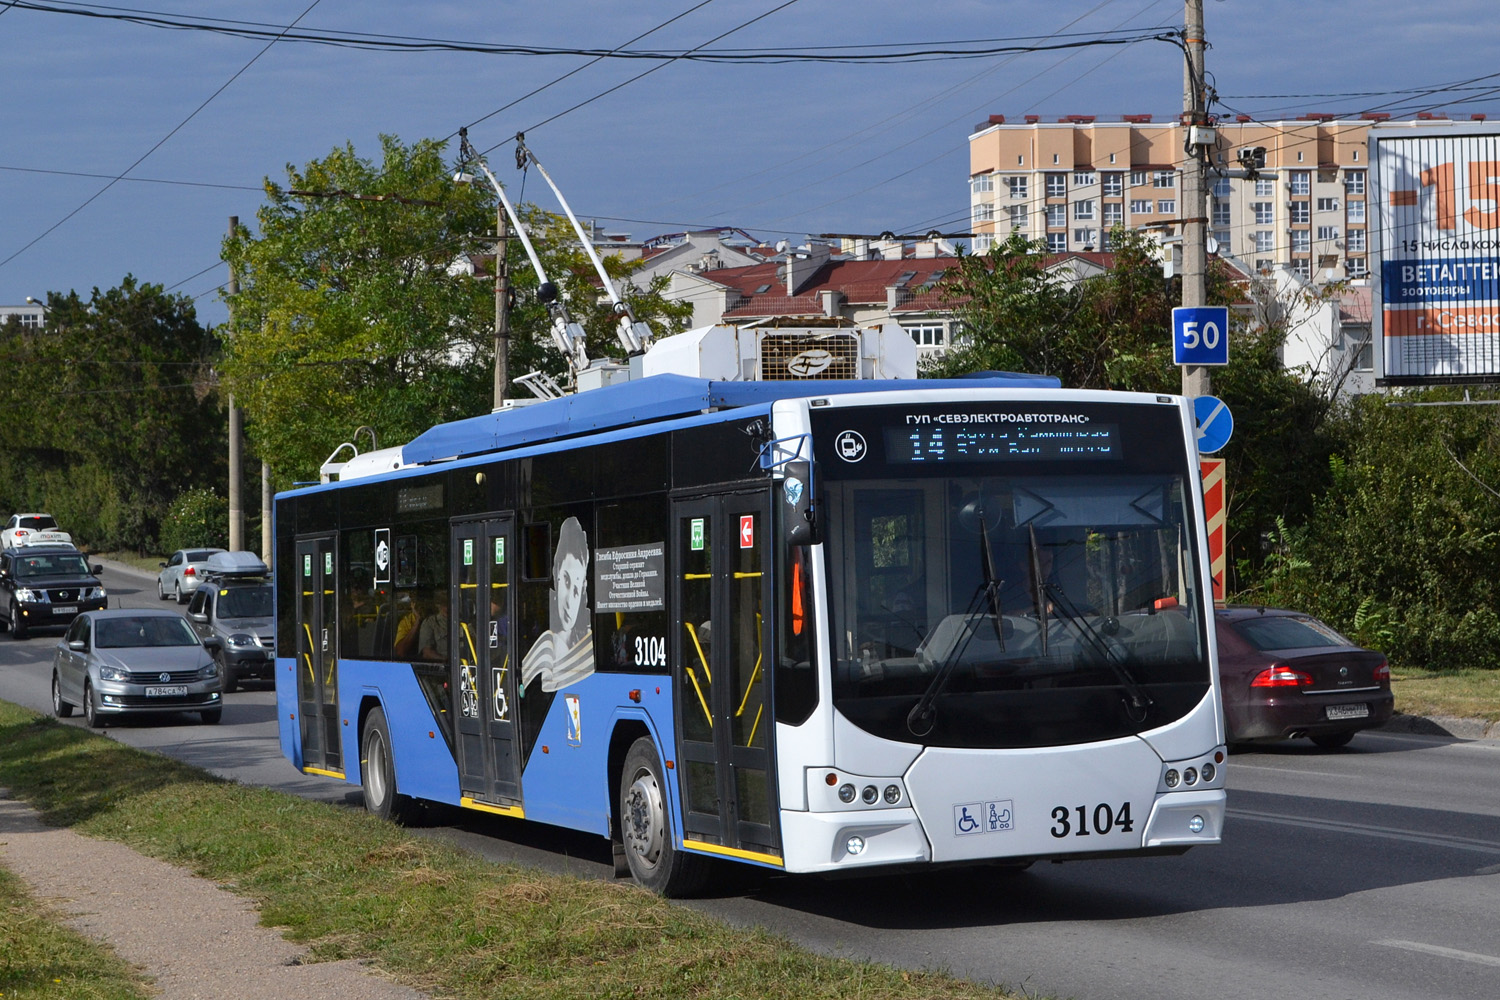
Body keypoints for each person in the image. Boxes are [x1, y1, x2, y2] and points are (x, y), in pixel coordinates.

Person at [520, 516, 595, 692]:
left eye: (576, 590)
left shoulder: (588, 643)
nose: (570, 600)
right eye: (567, 582)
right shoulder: (543, 644)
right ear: (556, 577)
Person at [418, 592, 450, 661]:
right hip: (443, 667)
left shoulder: (463, 621)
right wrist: (447, 662)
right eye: (445, 604)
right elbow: (427, 653)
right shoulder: (430, 623)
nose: (448, 607)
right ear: (438, 605)